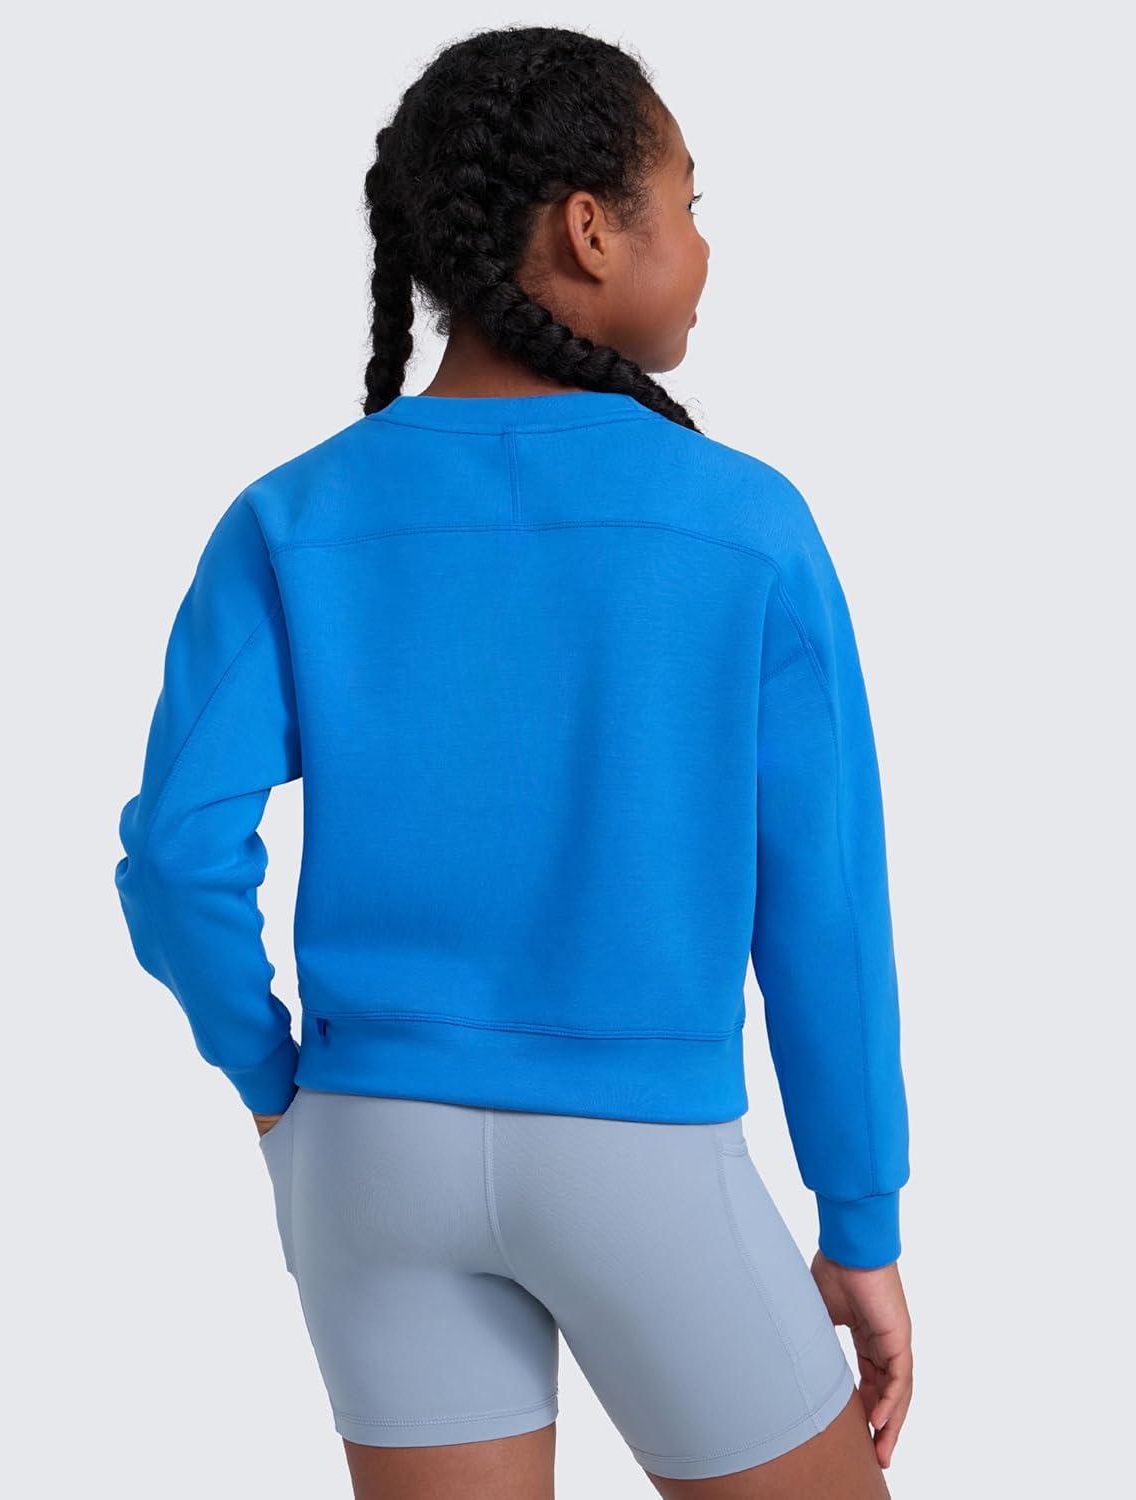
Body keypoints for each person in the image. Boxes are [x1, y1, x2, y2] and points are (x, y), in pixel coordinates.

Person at [114, 24, 912, 1500]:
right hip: (643, 1153)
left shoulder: (291, 515)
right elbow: (827, 906)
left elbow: (175, 857)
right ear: (589, 230)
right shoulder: (743, 522)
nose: (705, 246)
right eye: (689, 202)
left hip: (368, 1151)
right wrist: (858, 1218)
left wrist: (275, 1085)